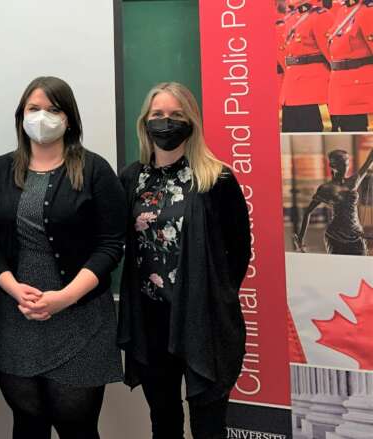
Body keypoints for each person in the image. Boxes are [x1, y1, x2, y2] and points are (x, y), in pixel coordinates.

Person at [0, 76, 126, 439]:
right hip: (14, 315)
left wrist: (64, 298)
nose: (42, 117)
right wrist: (14, 288)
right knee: (28, 424)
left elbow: (111, 244)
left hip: (81, 318)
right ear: (21, 116)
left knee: (78, 426)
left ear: (69, 118)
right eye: (34, 108)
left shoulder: (94, 170)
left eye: (53, 109)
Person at [118, 82, 251, 439]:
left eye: (176, 115)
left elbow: (239, 251)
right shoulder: (131, 178)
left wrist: (213, 298)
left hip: (202, 321)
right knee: (163, 421)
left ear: (191, 121)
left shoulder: (217, 178)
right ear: (145, 122)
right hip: (150, 322)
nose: (166, 122)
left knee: (208, 426)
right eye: (158, 114)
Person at [295, 147, 373, 255]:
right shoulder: (326, 188)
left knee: (360, 263)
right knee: (337, 264)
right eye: (341, 164)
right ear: (332, 165)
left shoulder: (353, 181)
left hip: (356, 235)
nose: (345, 167)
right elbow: (308, 212)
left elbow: (369, 160)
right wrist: (300, 239)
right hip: (335, 236)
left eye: (347, 163)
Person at [280, 0, 335, 132]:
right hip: (291, 87)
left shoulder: (320, 16)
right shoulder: (291, 18)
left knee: (312, 132)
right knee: (290, 134)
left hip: (312, 88)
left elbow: (332, 55)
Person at [327, 0, 373, 131]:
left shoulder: (368, 11)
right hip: (340, 87)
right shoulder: (343, 10)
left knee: (359, 134)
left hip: (359, 89)